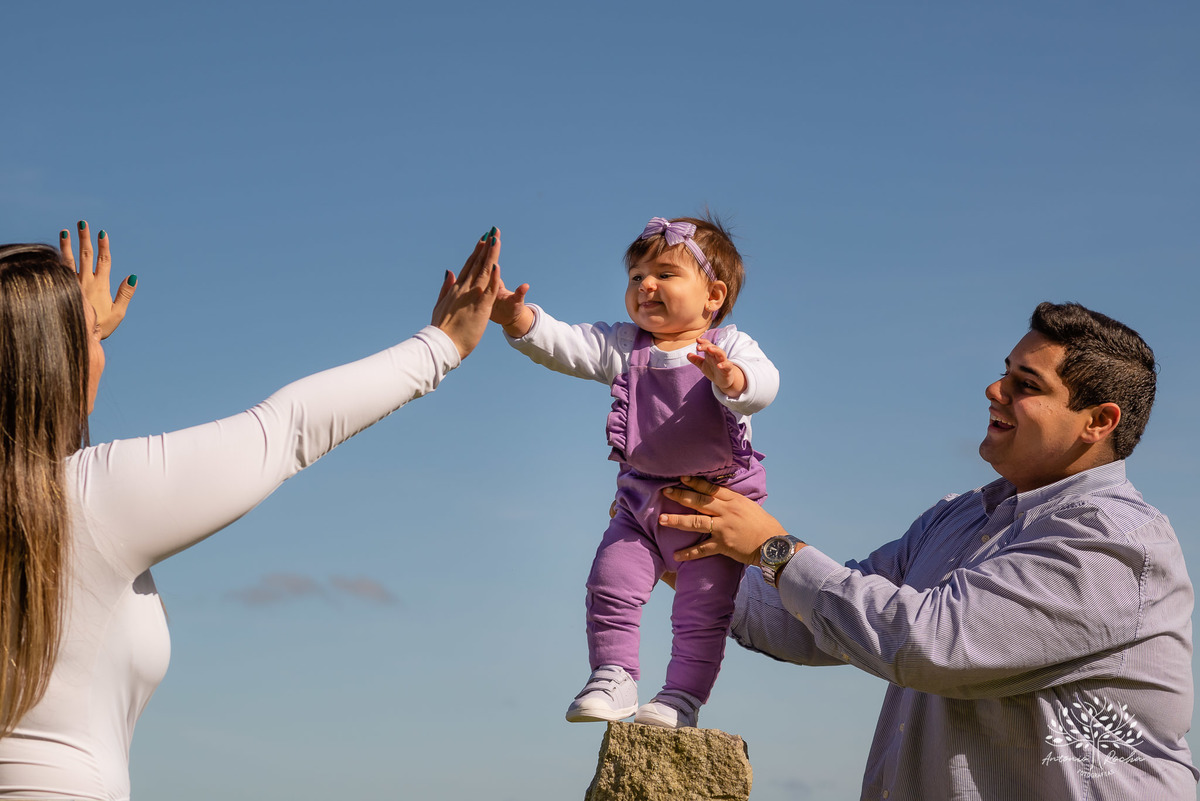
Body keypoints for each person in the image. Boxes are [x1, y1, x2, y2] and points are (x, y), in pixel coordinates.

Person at [0, 223, 501, 800]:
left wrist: (69, 333)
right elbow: (286, 429)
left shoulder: (65, 503)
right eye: (91, 338)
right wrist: (442, 346)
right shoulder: (89, 498)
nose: (101, 353)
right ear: (54, 362)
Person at [661, 302, 1197, 799]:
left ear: (1098, 422)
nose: (994, 389)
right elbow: (816, 623)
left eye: (1025, 384)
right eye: (1004, 370)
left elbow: (928, 643)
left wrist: (774, 549)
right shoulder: (957, 516)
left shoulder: (1114, 542)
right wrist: (686, 558)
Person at [490, 215, 779, 729]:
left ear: (713, 294)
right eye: (635, 276)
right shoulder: (626, 346)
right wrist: (521, 322)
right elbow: (568, 345)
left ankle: (681, 698)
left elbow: (765, 384)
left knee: (701, 611)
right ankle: (613, 674)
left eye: (665, 273)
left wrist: (733, 378)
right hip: (640, 505)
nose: (645, 285)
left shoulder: (729, 345)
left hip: (711, 509)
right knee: (609, 581)